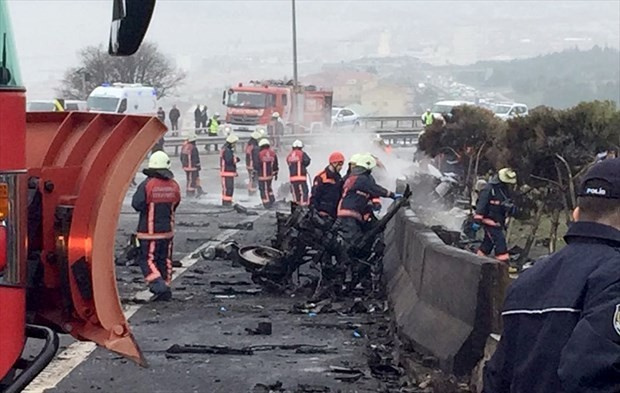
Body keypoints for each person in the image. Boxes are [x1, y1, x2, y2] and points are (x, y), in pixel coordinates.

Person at [483, 158, 620, 393]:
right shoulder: (614, 276)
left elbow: (497, 377)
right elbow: (589, 374)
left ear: (576, 213)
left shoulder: (528, 279)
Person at [131, 151, 181, 301]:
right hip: (167, 231)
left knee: (147, 259)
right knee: (165, 259)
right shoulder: (174, 185)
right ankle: (165, 285)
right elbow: (176, 203)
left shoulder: (147, 184)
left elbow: (137, 204)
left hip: (149, 232)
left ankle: (159, 286)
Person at [472, 168, 517, 263]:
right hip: (489, 221)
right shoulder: (489, 189)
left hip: (498, 221)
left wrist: (510, 209)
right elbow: (481, 206)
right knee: (500, 243)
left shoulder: (504, 190)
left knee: (487, 244)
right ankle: (504, 265)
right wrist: (477, 221)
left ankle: (477, 261)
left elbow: (504, 203)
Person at [310, 151, 345, 219]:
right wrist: (315, 212)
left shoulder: (339, 179)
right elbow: (314, 196)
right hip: (322, 214)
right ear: (334, 163)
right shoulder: (321, 177)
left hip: (333, 215)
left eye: (342, 165)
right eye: (340, 165)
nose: (341, 167)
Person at [286, 139, 311, 206]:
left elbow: (288, 163)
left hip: (292, 179)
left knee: (295, 194)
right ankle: (303, 207)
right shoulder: (302, 153)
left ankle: (296, 208)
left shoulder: (289, 155)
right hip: (301, 178)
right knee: (304, 192)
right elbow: (307, 161)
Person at [180, 132, 203, 197]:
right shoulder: (193, 148)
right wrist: (198, 166)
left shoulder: (185, 146)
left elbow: (181, 157)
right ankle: (190, 194)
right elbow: (196, 158)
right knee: (191, 181)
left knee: (190, 179)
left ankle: (198, 190)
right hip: (192, 167)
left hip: (186, 166)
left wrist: (184, 165)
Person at [257, 138, 278, 208]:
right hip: (270, 176)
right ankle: (272, 200)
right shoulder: (273, 153)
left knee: (263, 189)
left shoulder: (259, 154)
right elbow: (275, 164)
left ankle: (267, 204)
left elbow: (256, 164)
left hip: (262, 176)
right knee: (269, 188)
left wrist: (255, 173)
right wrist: (275, 173)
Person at [220, 134, 240, 206]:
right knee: (227, 189)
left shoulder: (227, 150)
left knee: (229, 189)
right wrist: (236, 159)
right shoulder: (227, 151)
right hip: (226, 172)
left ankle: (228, 202)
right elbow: (229, 161)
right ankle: (226, 203)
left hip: (228, 173)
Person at [245, 130, 262, 196]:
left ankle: (251, 192)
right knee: (254, 180)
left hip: (249, 165)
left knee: (251, 179)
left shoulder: (249, 145)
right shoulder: (254, 147)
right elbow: (255, 157)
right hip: (253, 165)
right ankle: (252, 193)